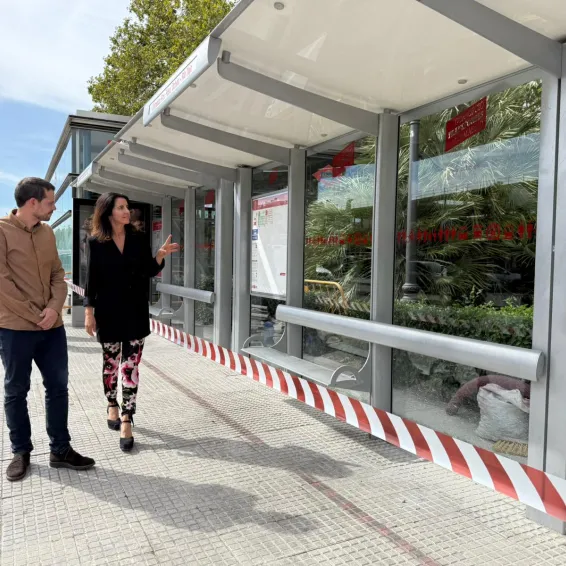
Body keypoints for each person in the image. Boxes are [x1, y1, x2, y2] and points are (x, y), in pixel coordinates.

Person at [0, 178, 95, 482]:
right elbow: (2, 284)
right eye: (50, 202)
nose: (54, 207)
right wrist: (33, 315)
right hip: (15, 328)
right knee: (16, 390)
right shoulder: (1, 231)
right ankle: (21, 451)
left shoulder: (47, 232)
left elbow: (57, 273)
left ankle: (60, 450)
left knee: (58, 388)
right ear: (32, 203)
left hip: (52, 327)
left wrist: (54, 309)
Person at [84, 193, 179, 452]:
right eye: (121, 207)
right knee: (111, 364)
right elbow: (91, 279)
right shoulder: (95, 242)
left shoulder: (138, 238)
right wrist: (89, 312)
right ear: (108, 212)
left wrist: (159, 256)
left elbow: (148, 271)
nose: (127, 211)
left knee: (130, 367)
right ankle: (111, 404)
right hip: (108, 312)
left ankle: (127, 417)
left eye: (127, 207)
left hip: (135, 311)